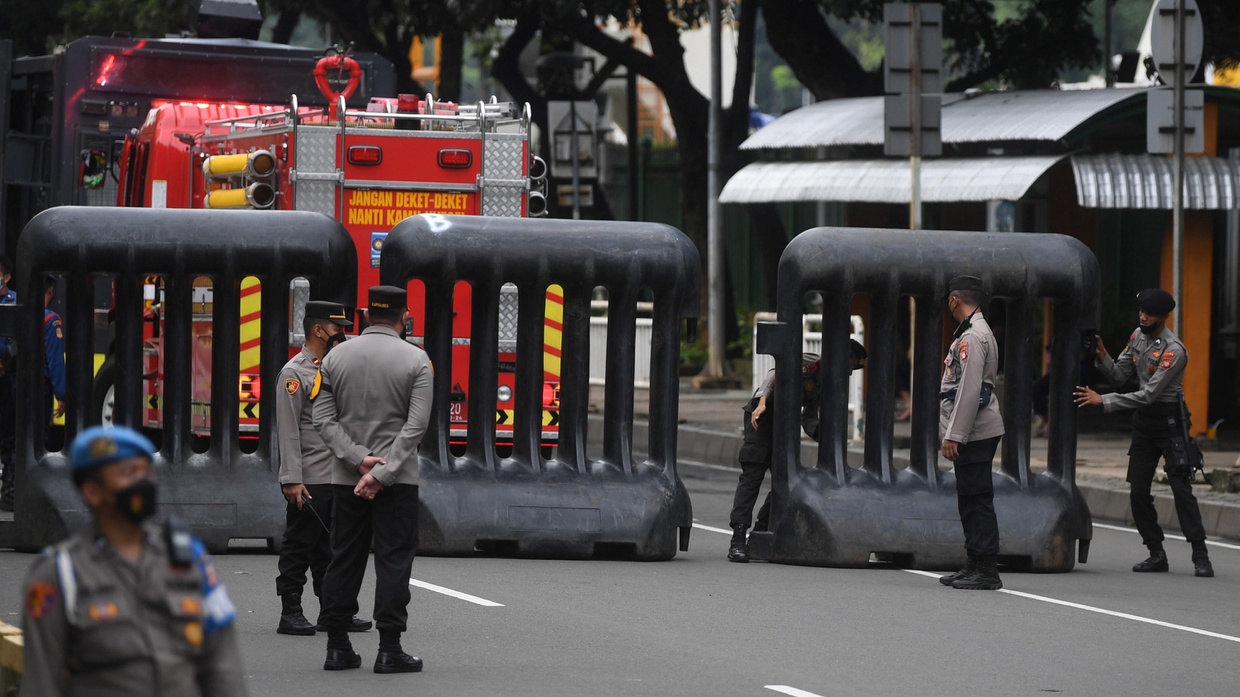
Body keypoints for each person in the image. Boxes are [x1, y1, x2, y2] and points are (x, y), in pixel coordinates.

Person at [19, 425, 248, 696]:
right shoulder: (58, 574)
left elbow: (222, 665)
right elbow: (41, 683)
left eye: (146, 471)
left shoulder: (188, 559)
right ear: (93, 492)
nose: (144, 482)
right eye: (129, 473)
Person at [312, 285, 433, 673]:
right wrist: (383, 472)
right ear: (405, 315)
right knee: (394, 561)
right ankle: (389, 648)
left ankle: (337, 646)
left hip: (346, 479)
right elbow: (416, 427)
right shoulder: (418, 360)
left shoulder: (334, 358)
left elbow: (322, 420)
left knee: (343, 558)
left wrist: (358, 460)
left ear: (365, 315)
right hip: (398, 481)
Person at [1073, 288, 1213, 577]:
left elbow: (1148, 394)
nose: (1142, 316)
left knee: (1180, 488)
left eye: (1148, 313)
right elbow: (1120, 376)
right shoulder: (1137, 337)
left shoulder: (1174, 351)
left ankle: (1200, 554)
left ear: (1163, 317)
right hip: (1145, 424)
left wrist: (1104, 401)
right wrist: (1102, 354)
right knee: (1138, 490)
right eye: (1141, 311)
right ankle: (1156, 552)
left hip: (1171, 422)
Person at [274, 300, 373, 636]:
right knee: (299, 545)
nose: (342, 334)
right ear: (319, 330)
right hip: (309, 479)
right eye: (337, 329)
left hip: (337, 476)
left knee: (331, 548)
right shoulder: (294, 374)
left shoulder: (336, 370)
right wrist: (291, 479)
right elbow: (288, 431)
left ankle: (334, 611)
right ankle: (291, 611)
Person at [727, 339, 867, 563]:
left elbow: (808, 418)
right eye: (851, 364)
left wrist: (825, 437)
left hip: (785, 423)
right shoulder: (813, 364)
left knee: (787, 480)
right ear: (843, 357)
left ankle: (760, 530)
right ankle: (738, 538)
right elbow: (775, 373)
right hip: (762, 417)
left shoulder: (826, 382)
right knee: (753, 475)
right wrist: (763, 401)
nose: (851, 371)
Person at [937, 275, 1005, 591]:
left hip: (975, 430)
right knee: (969, 497)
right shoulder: (972, 333)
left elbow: (968, 389)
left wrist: (955, 435)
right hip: (973, 430)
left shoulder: (973, 338)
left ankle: (986, 568)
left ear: (954, 299)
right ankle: (974, 563)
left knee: (977, 499)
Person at [0, 255, 16, 511]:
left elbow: (17, 340)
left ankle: (8, 492)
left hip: (7, 378)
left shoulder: (15, 302)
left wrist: (4, 361)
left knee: (8, 436)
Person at [44, 274, 67, 427]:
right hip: (41, 387)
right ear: (50, 291)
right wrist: (61, 395)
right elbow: (55, 361)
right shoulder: (51, 320)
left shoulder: (20, 315)